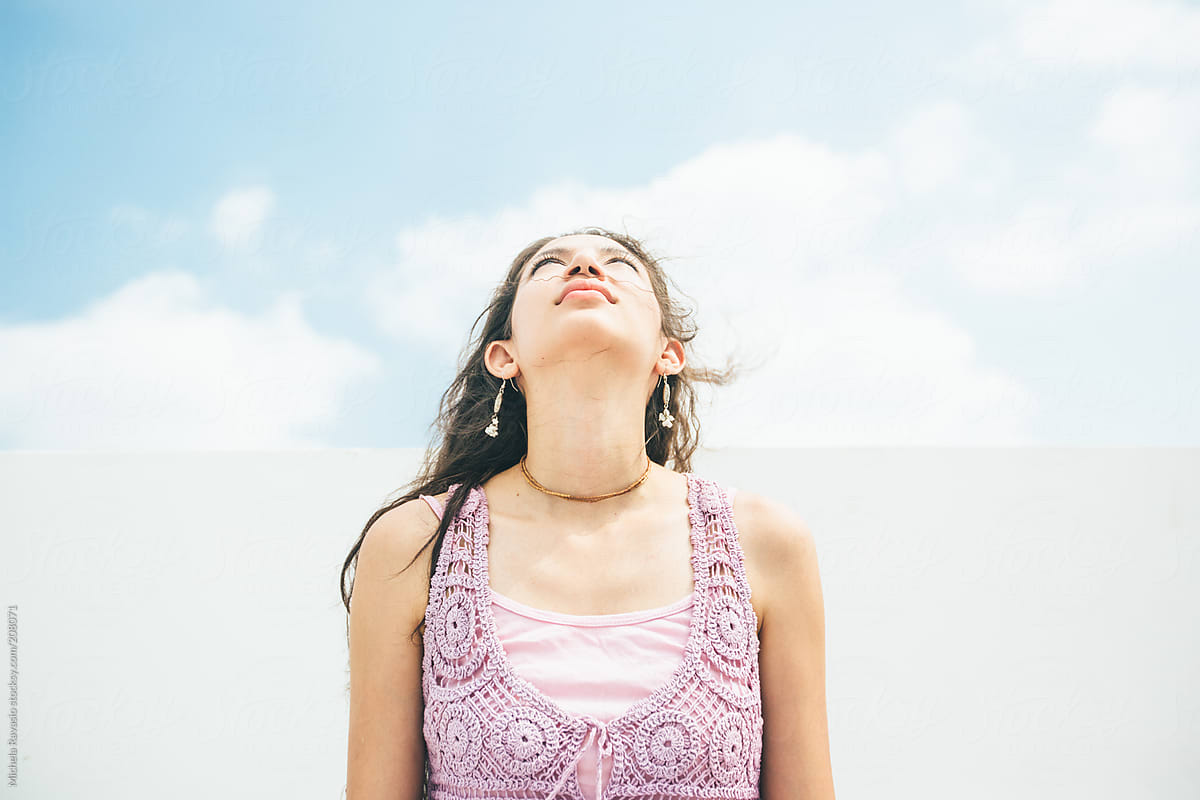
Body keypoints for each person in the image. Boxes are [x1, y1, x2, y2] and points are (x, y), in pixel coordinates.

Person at [341, 226, 835, 799]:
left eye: (619, 264)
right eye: (549, 264)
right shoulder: (415, 544)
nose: (583, 264)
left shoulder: (766, 543)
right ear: (504, 356)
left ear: (666, 353)